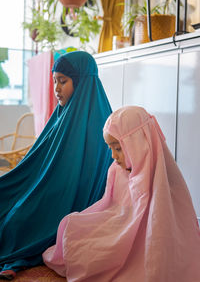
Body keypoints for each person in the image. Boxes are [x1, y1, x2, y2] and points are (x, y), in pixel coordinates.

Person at [43, 105, 200, 282]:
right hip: (120, 224)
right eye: (110, 148)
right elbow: (110, 206)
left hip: (142, 240)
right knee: (72, 227)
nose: (113, 156)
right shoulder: (117, 170)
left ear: (139, 144)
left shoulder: (164, 180)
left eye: (117, 148)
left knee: (95, 254)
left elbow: (161, 230)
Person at [0, 51, 112, 280]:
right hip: (48, 188)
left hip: (67, 199)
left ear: (81, 82)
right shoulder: (62, 114)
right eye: (54, 81)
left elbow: (87, 178)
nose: (57, 89)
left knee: (16, 222)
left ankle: (16, 258)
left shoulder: (100, 123)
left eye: (63, 81)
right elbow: (38, 161)